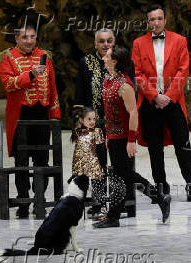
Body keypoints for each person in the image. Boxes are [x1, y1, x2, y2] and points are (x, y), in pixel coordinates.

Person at [132, 4, 191, 202]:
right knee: (155, 148)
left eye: (159, 18)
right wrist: (154, 95)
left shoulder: (179, 40)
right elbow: (137, 73)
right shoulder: (138, 43)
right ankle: (161, 188)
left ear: (165, 20)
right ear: (147, 22)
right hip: (150, 102)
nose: (156, 22)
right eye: (152, 19)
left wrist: (169, 96)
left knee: (183, 145)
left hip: (173, 102)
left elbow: (184, 70)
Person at [93, 45, 171, 228]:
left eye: (107, 56)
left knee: (125, 175)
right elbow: (109, 113)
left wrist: (130, 140)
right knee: (124, 176)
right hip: (113, 136)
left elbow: (133, 113)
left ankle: (155, 199)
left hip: (123, 138)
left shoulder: (124, 85)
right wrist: (107, 136)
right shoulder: (109, 80)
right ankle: (116, 215)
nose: (103, 58)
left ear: (115, 61)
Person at [0, 22, 60, 218]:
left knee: (42, 160)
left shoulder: (46, 56)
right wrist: (31, 74)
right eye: (24, 37)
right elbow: (9, 84)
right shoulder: (6, 57)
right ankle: (23, 200)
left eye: (32, 37)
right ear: (16, 38)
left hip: (41, 115)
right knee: (22, 161)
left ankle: (39, 199)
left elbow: (52, 90)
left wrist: (55, 116)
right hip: (20, 116)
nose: (28, 41)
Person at [73, 28, 115, 216]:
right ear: (95, 43)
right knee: (97, 164)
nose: (105, 44)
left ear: (114, 42)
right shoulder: (85, 62)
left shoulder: (122, 60)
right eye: (101, 41)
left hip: (117, 122)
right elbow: (80, 92)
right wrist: (80, 121)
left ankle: (119, 201)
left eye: (109, 40)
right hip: (94, 123)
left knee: (120, 163)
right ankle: (99, 202)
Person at [70, 107, 107, 219]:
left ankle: (100, 207)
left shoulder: (97, 131)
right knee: (80, 186)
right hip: (80, 164)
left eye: (94, 119)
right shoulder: (77, 131)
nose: (92, 122)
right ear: (82, 120)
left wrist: (103, 165)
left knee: (98, 185)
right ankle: (77, 207)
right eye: (89, 119)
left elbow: (101, 149)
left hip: (94, 163)